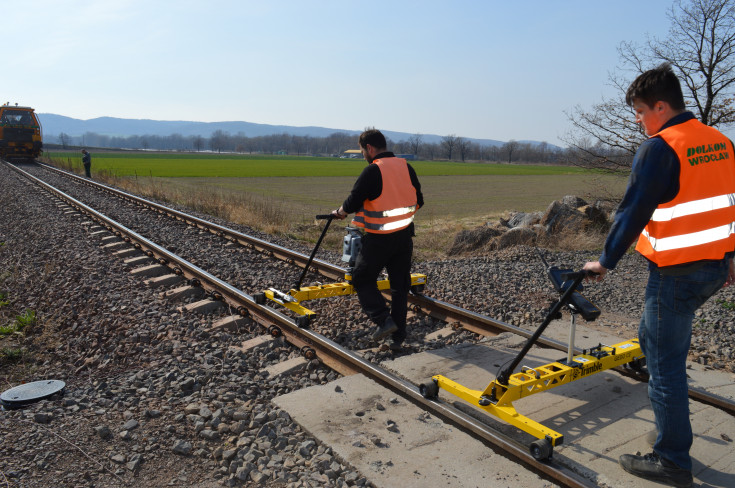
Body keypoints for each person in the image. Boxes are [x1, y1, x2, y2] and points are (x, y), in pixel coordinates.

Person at [583, 64, 735, 488]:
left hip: (676, 273)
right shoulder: (721, 141)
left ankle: (671, 459)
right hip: (713, 268)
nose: (638, 120)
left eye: (640, 111)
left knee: (664, 364)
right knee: (654, 341)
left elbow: (633, 209)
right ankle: (672, 430)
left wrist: (605, 261)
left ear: (661, 106)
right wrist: (730, 256)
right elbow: (728, 203)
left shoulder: (660, 147)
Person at [331, 129, 424, 351]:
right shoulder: (405, 167)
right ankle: (398, 336)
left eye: (363, 150)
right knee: (400, 286)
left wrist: (340, 212)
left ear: (369, 148)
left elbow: (353, 201)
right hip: (404, 236)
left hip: (380, 237)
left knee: (362, 277)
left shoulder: (373, 170)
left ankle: (384, 320)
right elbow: (419, 200)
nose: (364, 154)